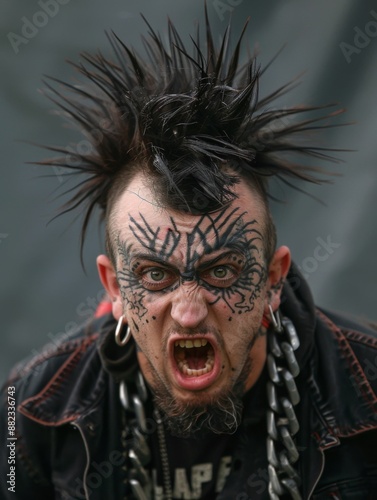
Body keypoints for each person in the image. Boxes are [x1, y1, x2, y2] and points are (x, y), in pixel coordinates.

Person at [1, 9, 377, 500]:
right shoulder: (26, 407)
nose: (189, 312)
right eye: (156, 275)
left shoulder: (367, 392)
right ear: (114, 287)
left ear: (272, 279)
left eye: (222, 270)